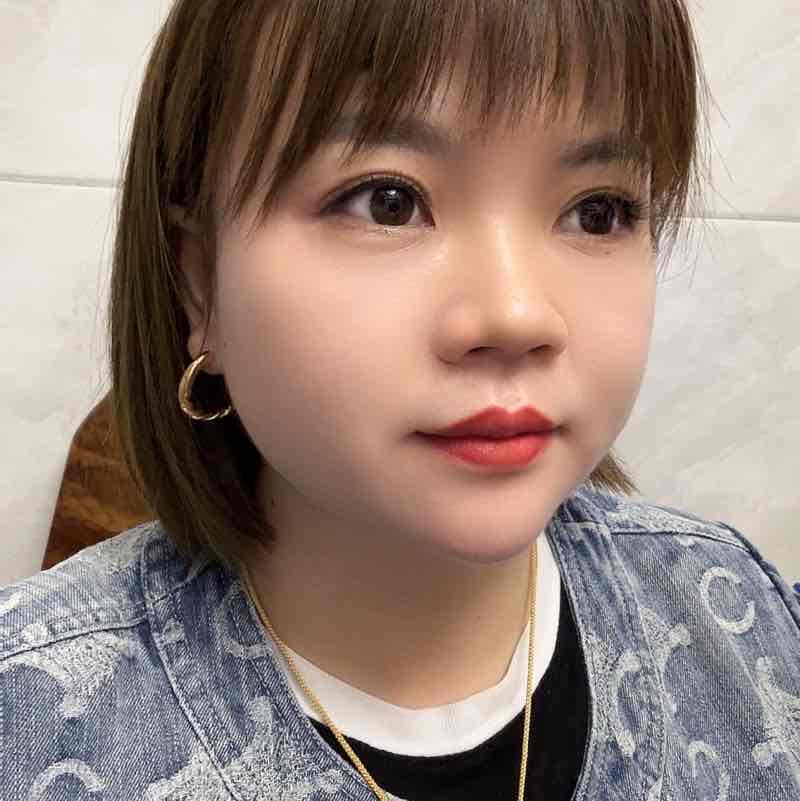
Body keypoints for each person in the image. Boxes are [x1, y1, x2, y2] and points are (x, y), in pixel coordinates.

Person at [2, 1, 799, 799]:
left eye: (599, 211)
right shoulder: (32, 729)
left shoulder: (746, 622)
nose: (517, 315)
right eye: (387, 200)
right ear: (199, 282)